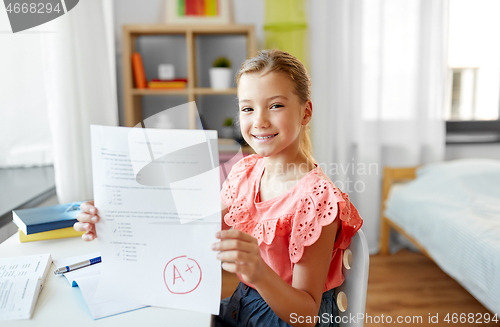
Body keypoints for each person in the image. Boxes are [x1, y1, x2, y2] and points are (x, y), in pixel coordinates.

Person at [74, 49, 363, 327]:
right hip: (243, 306)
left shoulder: (317, 200)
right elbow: (193, 229)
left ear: (305, 112)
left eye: (275, 105)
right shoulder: (245, 172)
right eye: (248, 108)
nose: (259, 120)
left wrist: (260, 273)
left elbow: (306, 315)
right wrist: (113, 220)